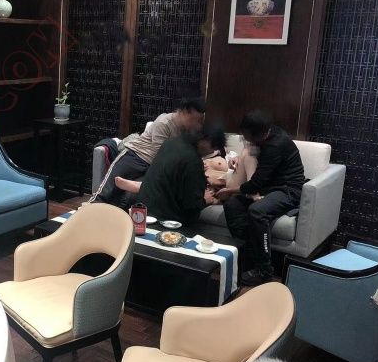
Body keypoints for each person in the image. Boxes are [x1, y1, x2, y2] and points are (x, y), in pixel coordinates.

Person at [215, 111, 305, 286]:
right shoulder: (266, 135)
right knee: (232, 205)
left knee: (257, 211)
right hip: (270, 187)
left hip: (288, 190)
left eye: (247, 136)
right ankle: (248, 258)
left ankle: (264, 270)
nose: (245, 139)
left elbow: (256, 183)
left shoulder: (276, 145)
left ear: (259, 134)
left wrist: (230, 190)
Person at [90, 97, 206, 208]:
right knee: (107, 191)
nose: (196, 124)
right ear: (184, 112)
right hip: (135, 156)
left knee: (131, 198)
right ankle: (87, 211)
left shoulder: (187, 131)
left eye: (198, 121)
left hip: (152, 166)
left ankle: (119, 217)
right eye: (193, 120)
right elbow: (162, 154)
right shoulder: (164, 123)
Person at [114, 126, 226, 223]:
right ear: (204, 139)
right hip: (168, 219)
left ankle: (138, 185)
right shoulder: (193, 160)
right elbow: (191, 206)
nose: (211, 152)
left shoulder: (171, 142)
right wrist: (204, 200)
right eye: (213, 148)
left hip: (144, 208)